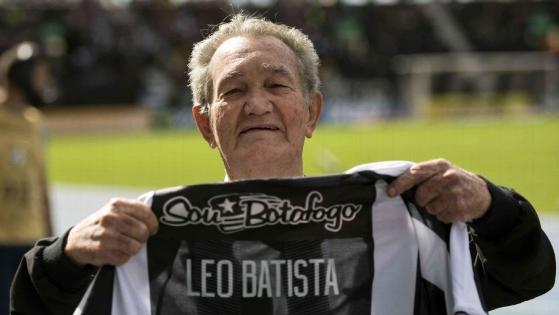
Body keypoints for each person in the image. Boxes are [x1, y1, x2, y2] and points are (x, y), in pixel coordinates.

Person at [10, 14, 555, 315]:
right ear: (205, 123)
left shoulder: (395, 222)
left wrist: (493, 207)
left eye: (276, 84)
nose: (257, 103)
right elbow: (33, 306)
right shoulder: (148, 237)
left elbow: (524, 278)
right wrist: (67, 254)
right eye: (234, 90)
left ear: (311, 111)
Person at [0, 42, 53, 314]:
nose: (44, 82)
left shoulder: (34, 122)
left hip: (29, 234)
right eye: (39, 75)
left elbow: (40, 180)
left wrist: (49, 233)